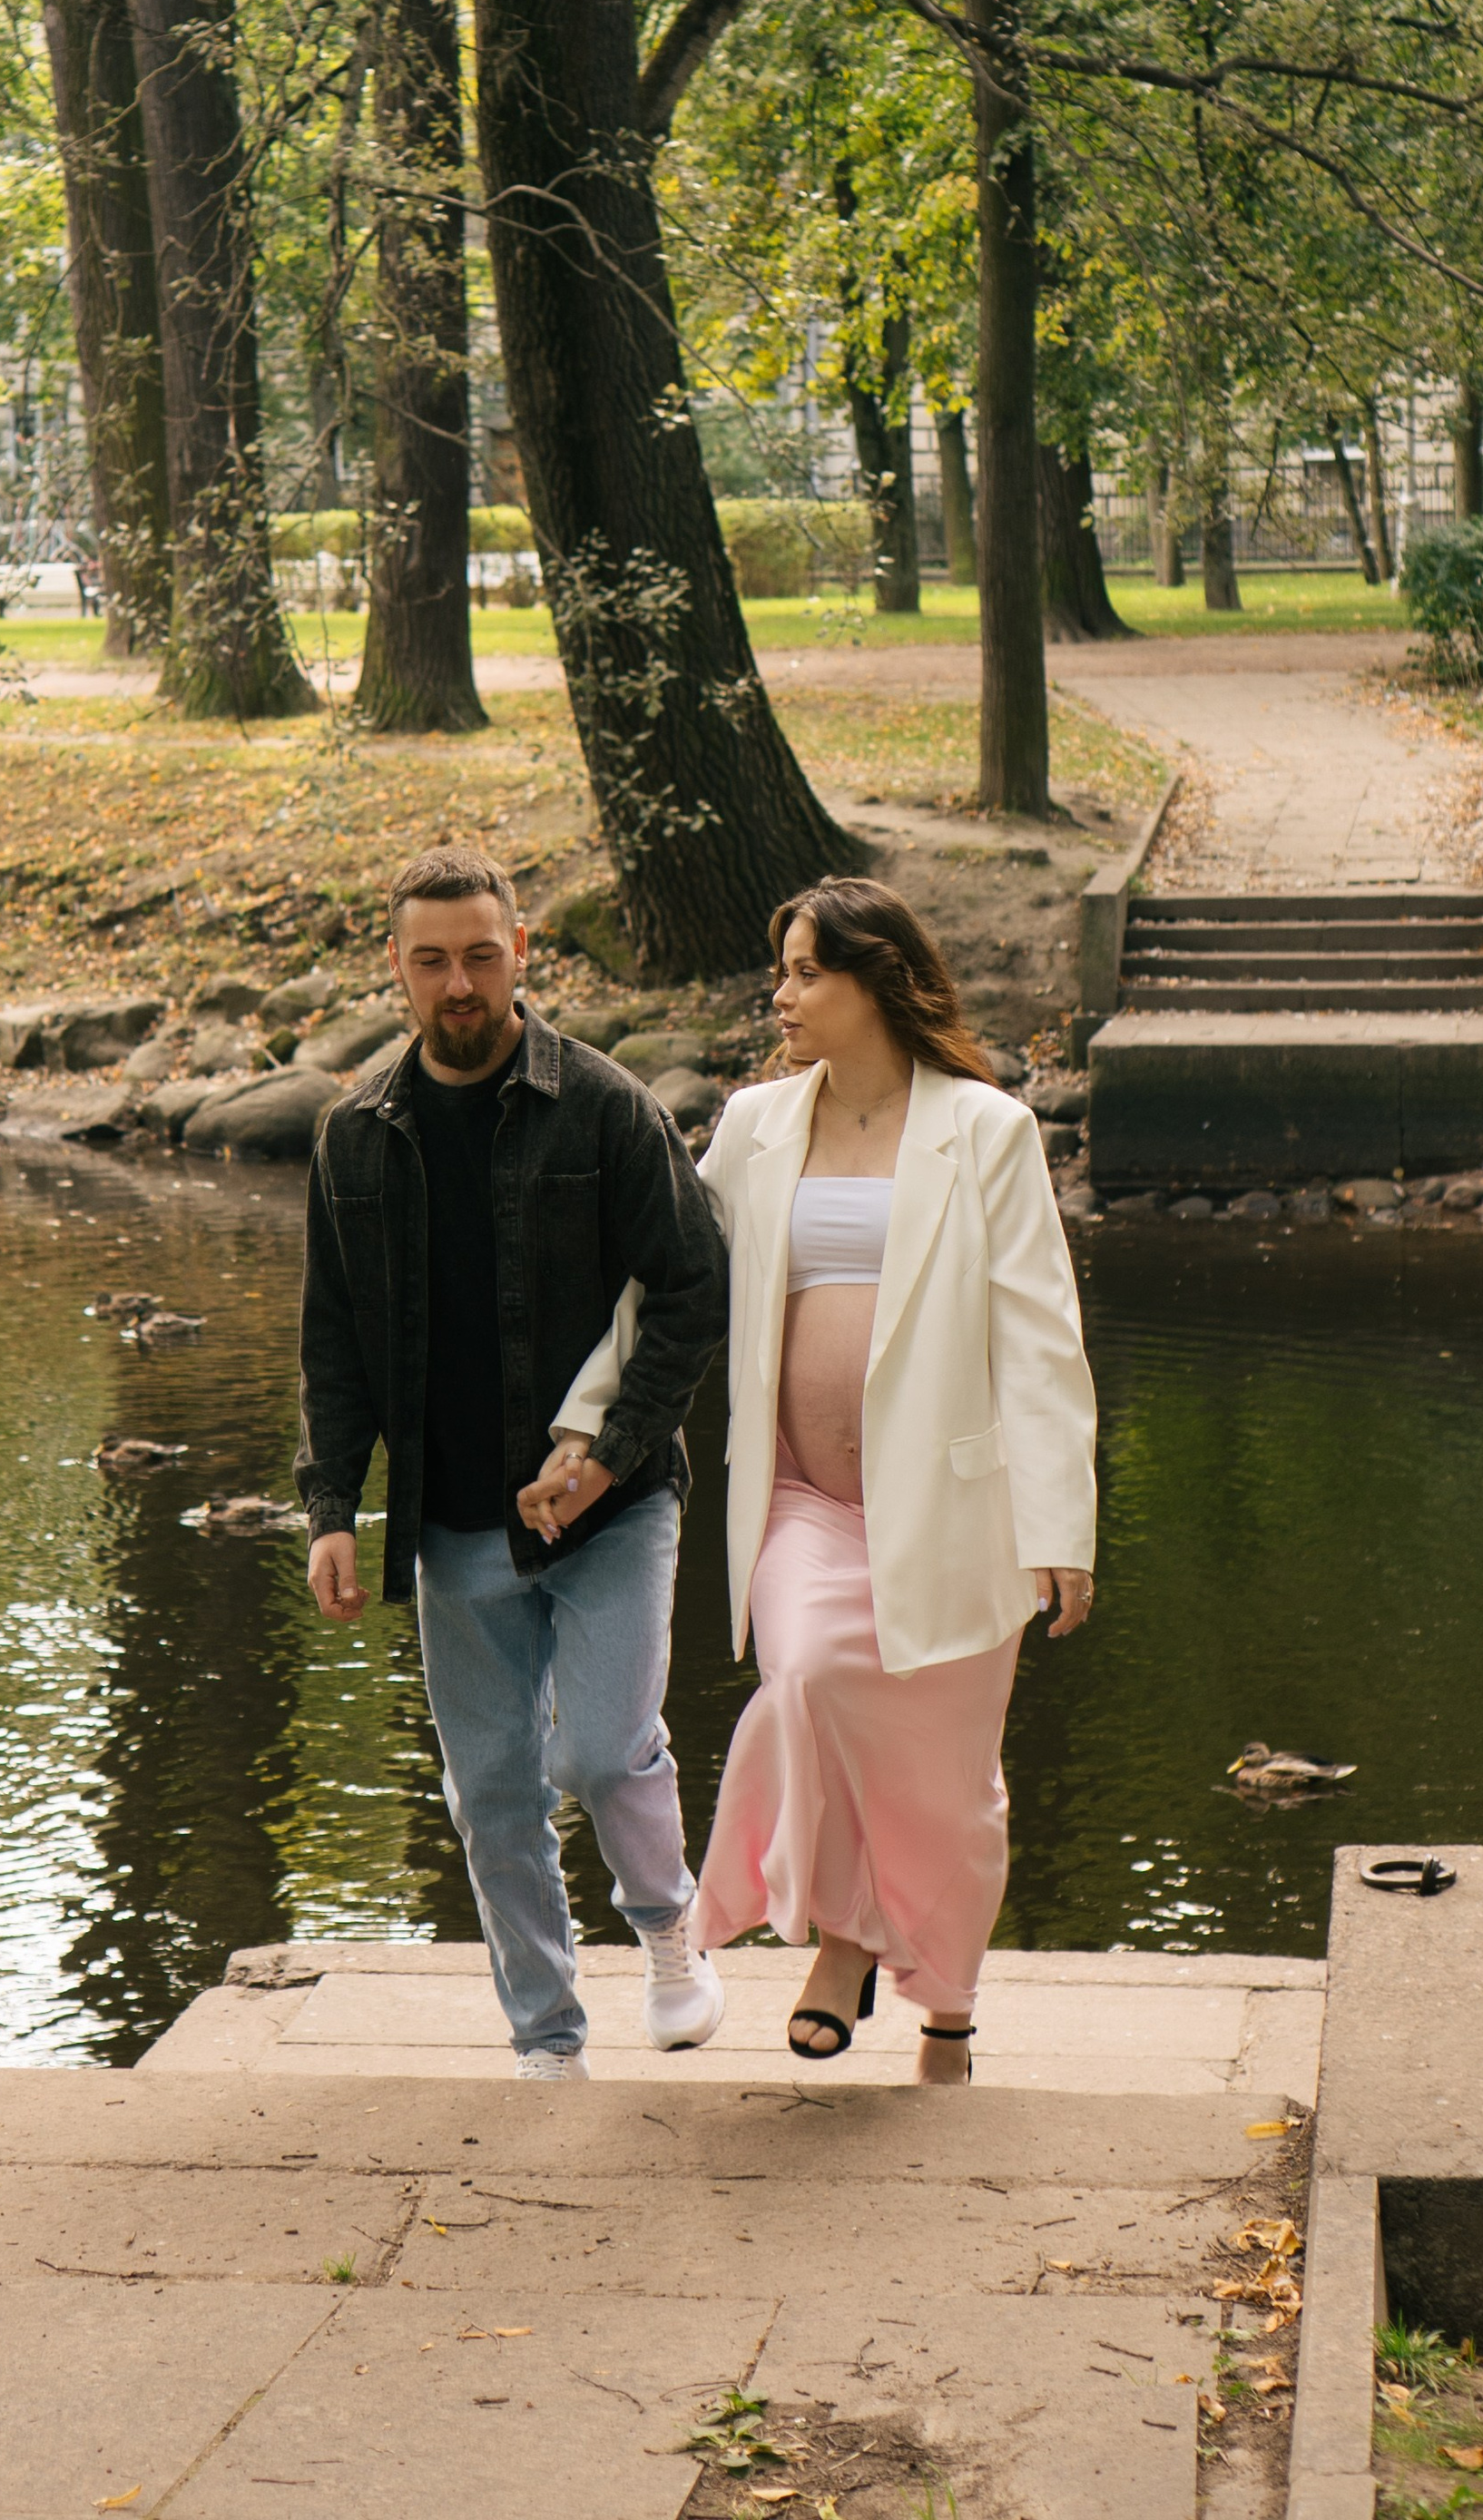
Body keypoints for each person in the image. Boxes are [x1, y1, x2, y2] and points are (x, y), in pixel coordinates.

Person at [523, 876, 1095, 2084]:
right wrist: (589, 1432)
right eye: (779, 972)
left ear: (874, 980)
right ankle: (842, 1946)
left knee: (948, 1785)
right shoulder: (754, 1127)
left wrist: (1062, 1527)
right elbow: (668, 1292)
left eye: (801, 974)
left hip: (955, 1515)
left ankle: (947, 2000)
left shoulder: (985, 1132)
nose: (778, 996)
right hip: (798, 1503)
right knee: (811, 1677)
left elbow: (1042, 1341)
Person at [296, 841, 732, 2075]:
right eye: (430, 962)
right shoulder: (355, 1136)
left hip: (614, 1511)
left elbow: (698, 1289)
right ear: (396, 969)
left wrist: (609, 1451)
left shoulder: (604, 1107)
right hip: (452, 1524)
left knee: (601, 1748)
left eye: (481, 957)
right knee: (489, 1793)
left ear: (522, 952)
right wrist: (335, 1505)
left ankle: (666, 1936)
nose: (459, 986)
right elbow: (335, 1339)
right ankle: (545, 2041)